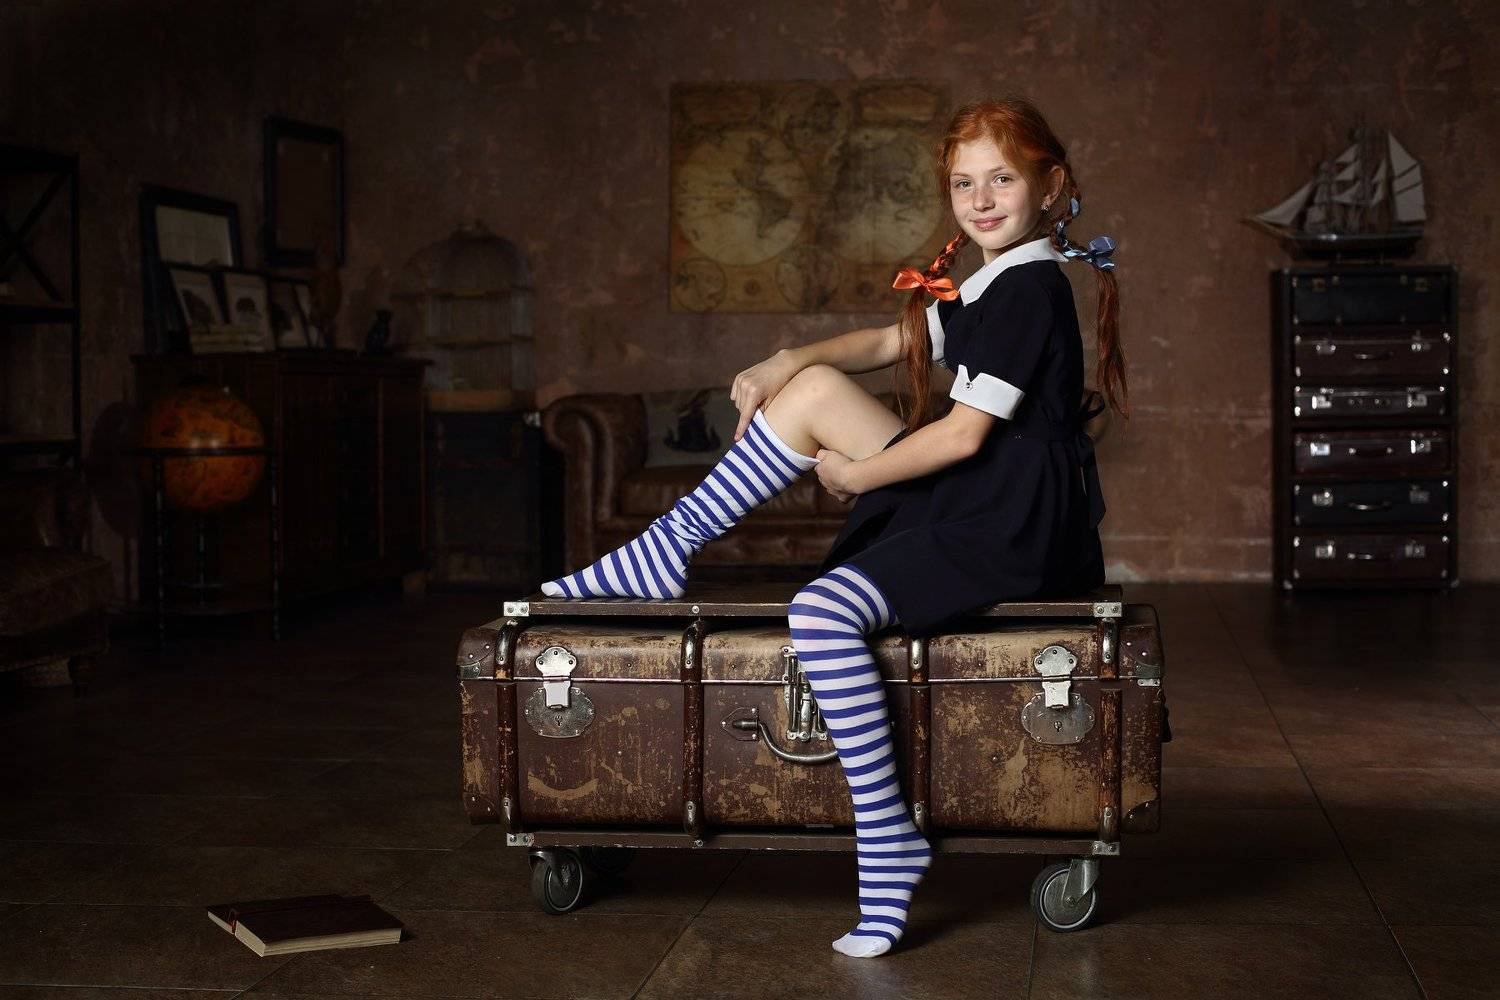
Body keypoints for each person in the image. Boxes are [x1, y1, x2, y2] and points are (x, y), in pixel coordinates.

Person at [539, 96, 1125, 957]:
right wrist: (788, 359)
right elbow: (889, 343)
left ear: (1051, 185)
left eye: (1002, 179)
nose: (981, 199)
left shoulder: (1030, 290)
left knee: (818, 613)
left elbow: (962, 437)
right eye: (963, 183)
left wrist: (852, 476)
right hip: (984, 489)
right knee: (811, 391)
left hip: (1009, 519)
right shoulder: (996, 281)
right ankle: (668, 548)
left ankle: (887, 837)